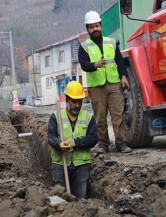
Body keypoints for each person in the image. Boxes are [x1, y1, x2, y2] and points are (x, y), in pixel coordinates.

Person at [78, 11, 132, 154]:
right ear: (87, 29)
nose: (95, 29)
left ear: (101, 27)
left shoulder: (111, 42)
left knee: (118, 115)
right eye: (91, 27)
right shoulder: (84, 47)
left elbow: (120, 62)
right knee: (100, 117)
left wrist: (124, 77)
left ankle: (121, 143)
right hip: (96, 87)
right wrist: (94, 65)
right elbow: (83, 65)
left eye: (97, 26)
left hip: (114, 84)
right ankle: (103, 144)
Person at [47, 81, 97, 199]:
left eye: (80, 101)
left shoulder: (88, 117)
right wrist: (60, 144)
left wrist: (75, 142)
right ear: (67, 100)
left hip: (82, 165)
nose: (77, 105)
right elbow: (50, 137)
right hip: (60, 164)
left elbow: (93, 138)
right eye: (74, 101)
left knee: (81, 197)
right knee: (59, 197)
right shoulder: (56, 116)